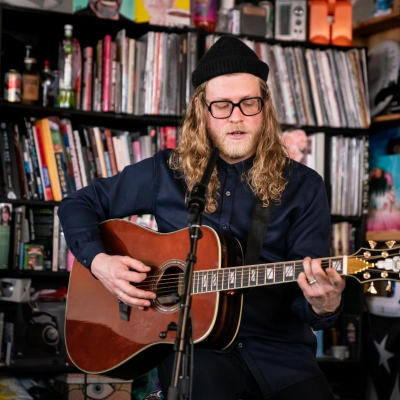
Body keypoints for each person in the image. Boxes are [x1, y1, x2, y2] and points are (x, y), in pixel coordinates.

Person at [58, 35, 346, 400]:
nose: (237, 116)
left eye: (249, 103)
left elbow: (309, 301)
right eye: (222, 105)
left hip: (279, 353)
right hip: (193, 350)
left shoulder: (303, 186)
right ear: (202, 110)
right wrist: (100, 263)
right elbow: (76, 204)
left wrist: (325, 302)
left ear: (265, 108)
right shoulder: (166, 171)